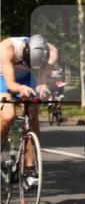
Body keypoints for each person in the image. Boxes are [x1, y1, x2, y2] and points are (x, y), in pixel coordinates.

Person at [0, 35, 58, 185]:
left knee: (32, 117)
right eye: (29, 63)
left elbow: (44, 77)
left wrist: (43, 85)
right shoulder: (7, 48)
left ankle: (30, 167)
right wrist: (20, 89)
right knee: (8, 116)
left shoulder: (51, 52)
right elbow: (11, 84)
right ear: (25, 52)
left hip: (26, 78)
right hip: (4, 78)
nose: (30, 66)